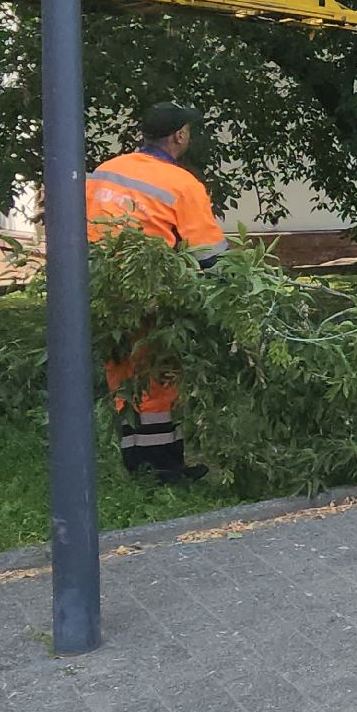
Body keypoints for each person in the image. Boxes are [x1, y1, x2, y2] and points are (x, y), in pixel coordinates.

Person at [84, 101, 227, 484]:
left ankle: (135, 462)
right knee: (159, 378)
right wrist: (235, 288)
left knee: (123, 375)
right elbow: (208, 253)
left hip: (101, 290)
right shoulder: (182, 184)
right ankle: (163, 470)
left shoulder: (104, 172)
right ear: (179, 135)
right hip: (152, 294)